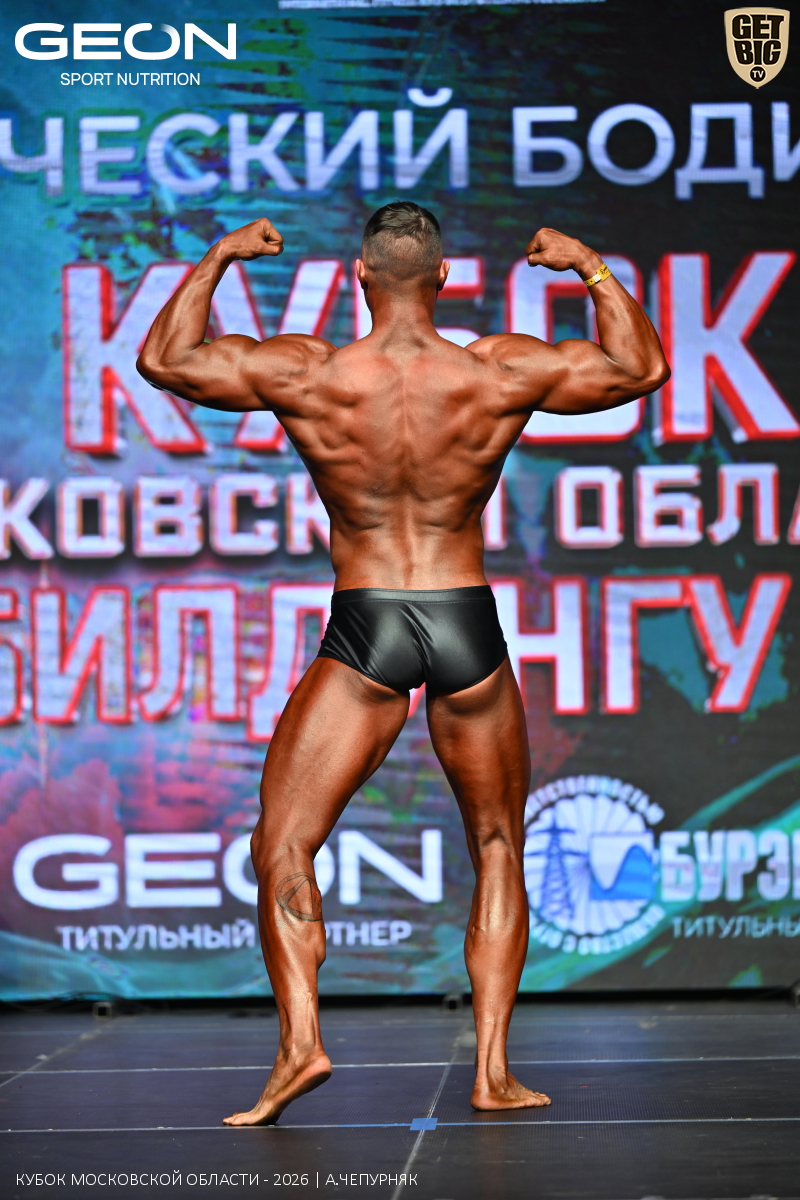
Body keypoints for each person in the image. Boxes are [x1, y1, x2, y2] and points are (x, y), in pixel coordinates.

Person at [137, 201, 669, 1126]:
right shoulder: (496, 370)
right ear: (445, 278)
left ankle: (302, 1044)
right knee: (496, 845)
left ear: (359, 276)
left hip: (368, 620)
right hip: (465, 619)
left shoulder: (311, 371)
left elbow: (166, 360)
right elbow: (641, 369)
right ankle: (493, 1072)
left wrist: (220, 256)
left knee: (283, 842)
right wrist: (587, 263)